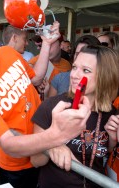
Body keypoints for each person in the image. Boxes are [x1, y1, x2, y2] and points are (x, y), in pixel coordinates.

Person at [0, 9, 91, 187]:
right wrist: (57, 135)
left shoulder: (7, 53)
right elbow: (9, 144)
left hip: (45, 149)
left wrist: (47, 44)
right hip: (17, 166)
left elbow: (36, 78)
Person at [31, 45, 119, 187]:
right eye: (74, 67)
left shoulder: (112, 114)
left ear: (105, 76)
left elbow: (100, 154)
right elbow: (35, 161)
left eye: (85, 70)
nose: (74, 75)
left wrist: (112, 142)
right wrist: (52, 144)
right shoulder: (52, 106)